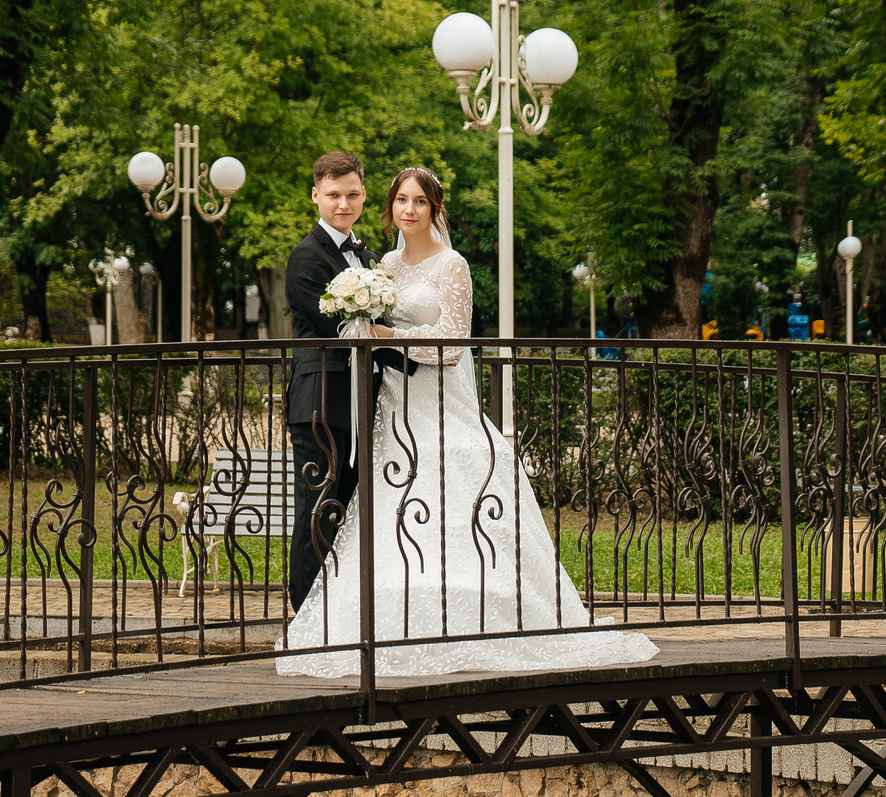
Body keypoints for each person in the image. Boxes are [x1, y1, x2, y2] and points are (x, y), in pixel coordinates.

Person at [277, 165, 657, 678]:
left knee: (442, 499)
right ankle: (332, 622)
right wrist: (377, 332)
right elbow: (337, 323)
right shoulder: (377, 262)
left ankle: (470, 612)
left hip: (432, 398)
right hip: (375, 402)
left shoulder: (448, 264)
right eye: (402, 201)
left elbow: (452, 345)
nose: (409, 209)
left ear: (435, 210)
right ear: (388, 206)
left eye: (420, 202)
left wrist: (382, 332)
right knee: (357, 510)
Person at [284, 152, 404, 611]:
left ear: (363, 194)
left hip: (363, 404)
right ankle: (306, 614)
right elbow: (339, 327)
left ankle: (344, 610)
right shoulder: (306, 257)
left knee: (351, 514)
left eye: (352, 194)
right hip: (320, 404)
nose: (343, 203)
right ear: (316, 196)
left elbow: (381, 322)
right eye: (333, 195)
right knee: (317, 512)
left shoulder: (369, 258)